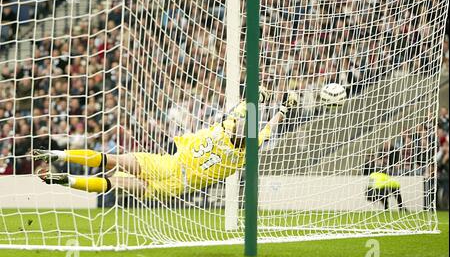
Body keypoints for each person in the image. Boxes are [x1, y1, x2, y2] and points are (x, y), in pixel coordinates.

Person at [34, 87, 299, 198]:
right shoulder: (246, 152)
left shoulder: (222, 130)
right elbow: (265, 127)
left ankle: (60, 155)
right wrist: (283, 109)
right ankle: (65, 177)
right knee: (113, 181)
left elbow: (239, 112)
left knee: (113, 163)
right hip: (176, 181)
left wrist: (257, 98)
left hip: (170, 169)